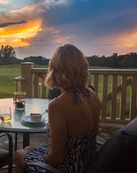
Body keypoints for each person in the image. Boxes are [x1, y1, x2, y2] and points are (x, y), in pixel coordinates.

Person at [15, 44, 100, 173]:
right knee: (27, 149)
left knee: (19, 154)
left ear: (56, 70)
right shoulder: (91, 94)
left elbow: (57, 158)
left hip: (68, 168)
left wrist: (44, 156)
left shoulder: (58, 105)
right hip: (89, 162)